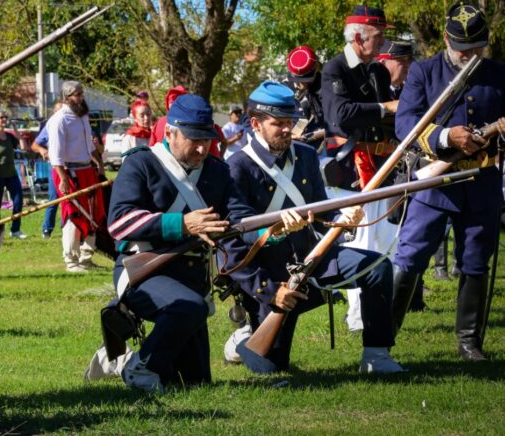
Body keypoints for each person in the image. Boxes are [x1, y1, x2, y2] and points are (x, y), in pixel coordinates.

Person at [107, 93, 313, 392]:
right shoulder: (141, 164)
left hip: (191, 280)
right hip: (144, 271)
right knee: (189, 309)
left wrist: (274, 230)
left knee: (194, 382)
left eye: (207, 140)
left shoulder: (217, 170)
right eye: (194, 140)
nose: (202, 148)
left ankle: (121, 358)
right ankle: (140, 366)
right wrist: (182, 223)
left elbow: (239, 220)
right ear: (170, 133)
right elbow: (120, 222)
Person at [224, 82, 403, 375]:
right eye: (278, 123)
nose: (286, 129)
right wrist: (274, 230)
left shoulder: (305, 156)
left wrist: (342, 216)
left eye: (290, 122)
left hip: (313, 256)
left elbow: (321, 208)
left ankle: (376, 356)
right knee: (271, 367)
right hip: (272, 274)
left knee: (377, 267)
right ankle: (245, 335)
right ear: (255, 124)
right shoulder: (238, 166)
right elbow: (238, 227)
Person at [391, 2, 505, 362]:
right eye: (463, 49)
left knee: (475, 261)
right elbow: (405, 125)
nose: (470, 56)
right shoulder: (424, 72)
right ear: (445, 40)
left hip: (482, 180)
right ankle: (382, 339)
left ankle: (469, 342)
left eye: (477, 49)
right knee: (410, 257)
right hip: (433, 184)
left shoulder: (498, 73)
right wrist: (445, 137)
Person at [321, 6, 396, 190]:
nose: (383, 41)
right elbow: (341, 114)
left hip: (383, 162)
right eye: (378, 35)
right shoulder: (335, 68)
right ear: (358, 39)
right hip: (350, 167)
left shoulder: (379, 71)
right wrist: (385, 108)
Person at [47, 81, 106, 273]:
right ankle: (71, 260)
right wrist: (63, 178)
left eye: (82, 93)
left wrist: (99, 165)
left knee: (94, 213)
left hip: (87, 170)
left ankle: (86, 257)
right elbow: (55, 155)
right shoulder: (58, 120)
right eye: (77, 94)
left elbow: (89, 147)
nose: (81, 98)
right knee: (74, 214)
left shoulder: (83, 117)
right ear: (66, 97)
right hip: (68, 172)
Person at [149, 85, 226, 158]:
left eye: (206, 140)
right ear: (168, 133)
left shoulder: (158, 123)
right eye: (193, 139)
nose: (201, 150)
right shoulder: (160, 124)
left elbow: (151, 149)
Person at [0, 110, 29, 239]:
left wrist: (18, 134)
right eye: (1, 117)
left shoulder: (10, 136)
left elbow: (24, 148)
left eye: (6, 117)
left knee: (18, 201)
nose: (4, 119)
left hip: (11, 174)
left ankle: (15, 230)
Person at [31, 102, 64, 239]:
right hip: (56, 167)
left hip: (72, 166)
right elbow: (34, 145)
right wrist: (42, 149)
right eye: (59, 111)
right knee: (54, 197)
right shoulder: (50, 126)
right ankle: (47, 229)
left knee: (71, 200)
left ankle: (69, 228)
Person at [285, 46, 326, 149]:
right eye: (299, 79)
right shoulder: (284, 89)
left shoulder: (326, 87)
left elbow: (336, 123)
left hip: (323, 145)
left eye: (306, 80)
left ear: (316, 69)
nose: (302, 84)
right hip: (292, 146)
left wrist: (315, 136)